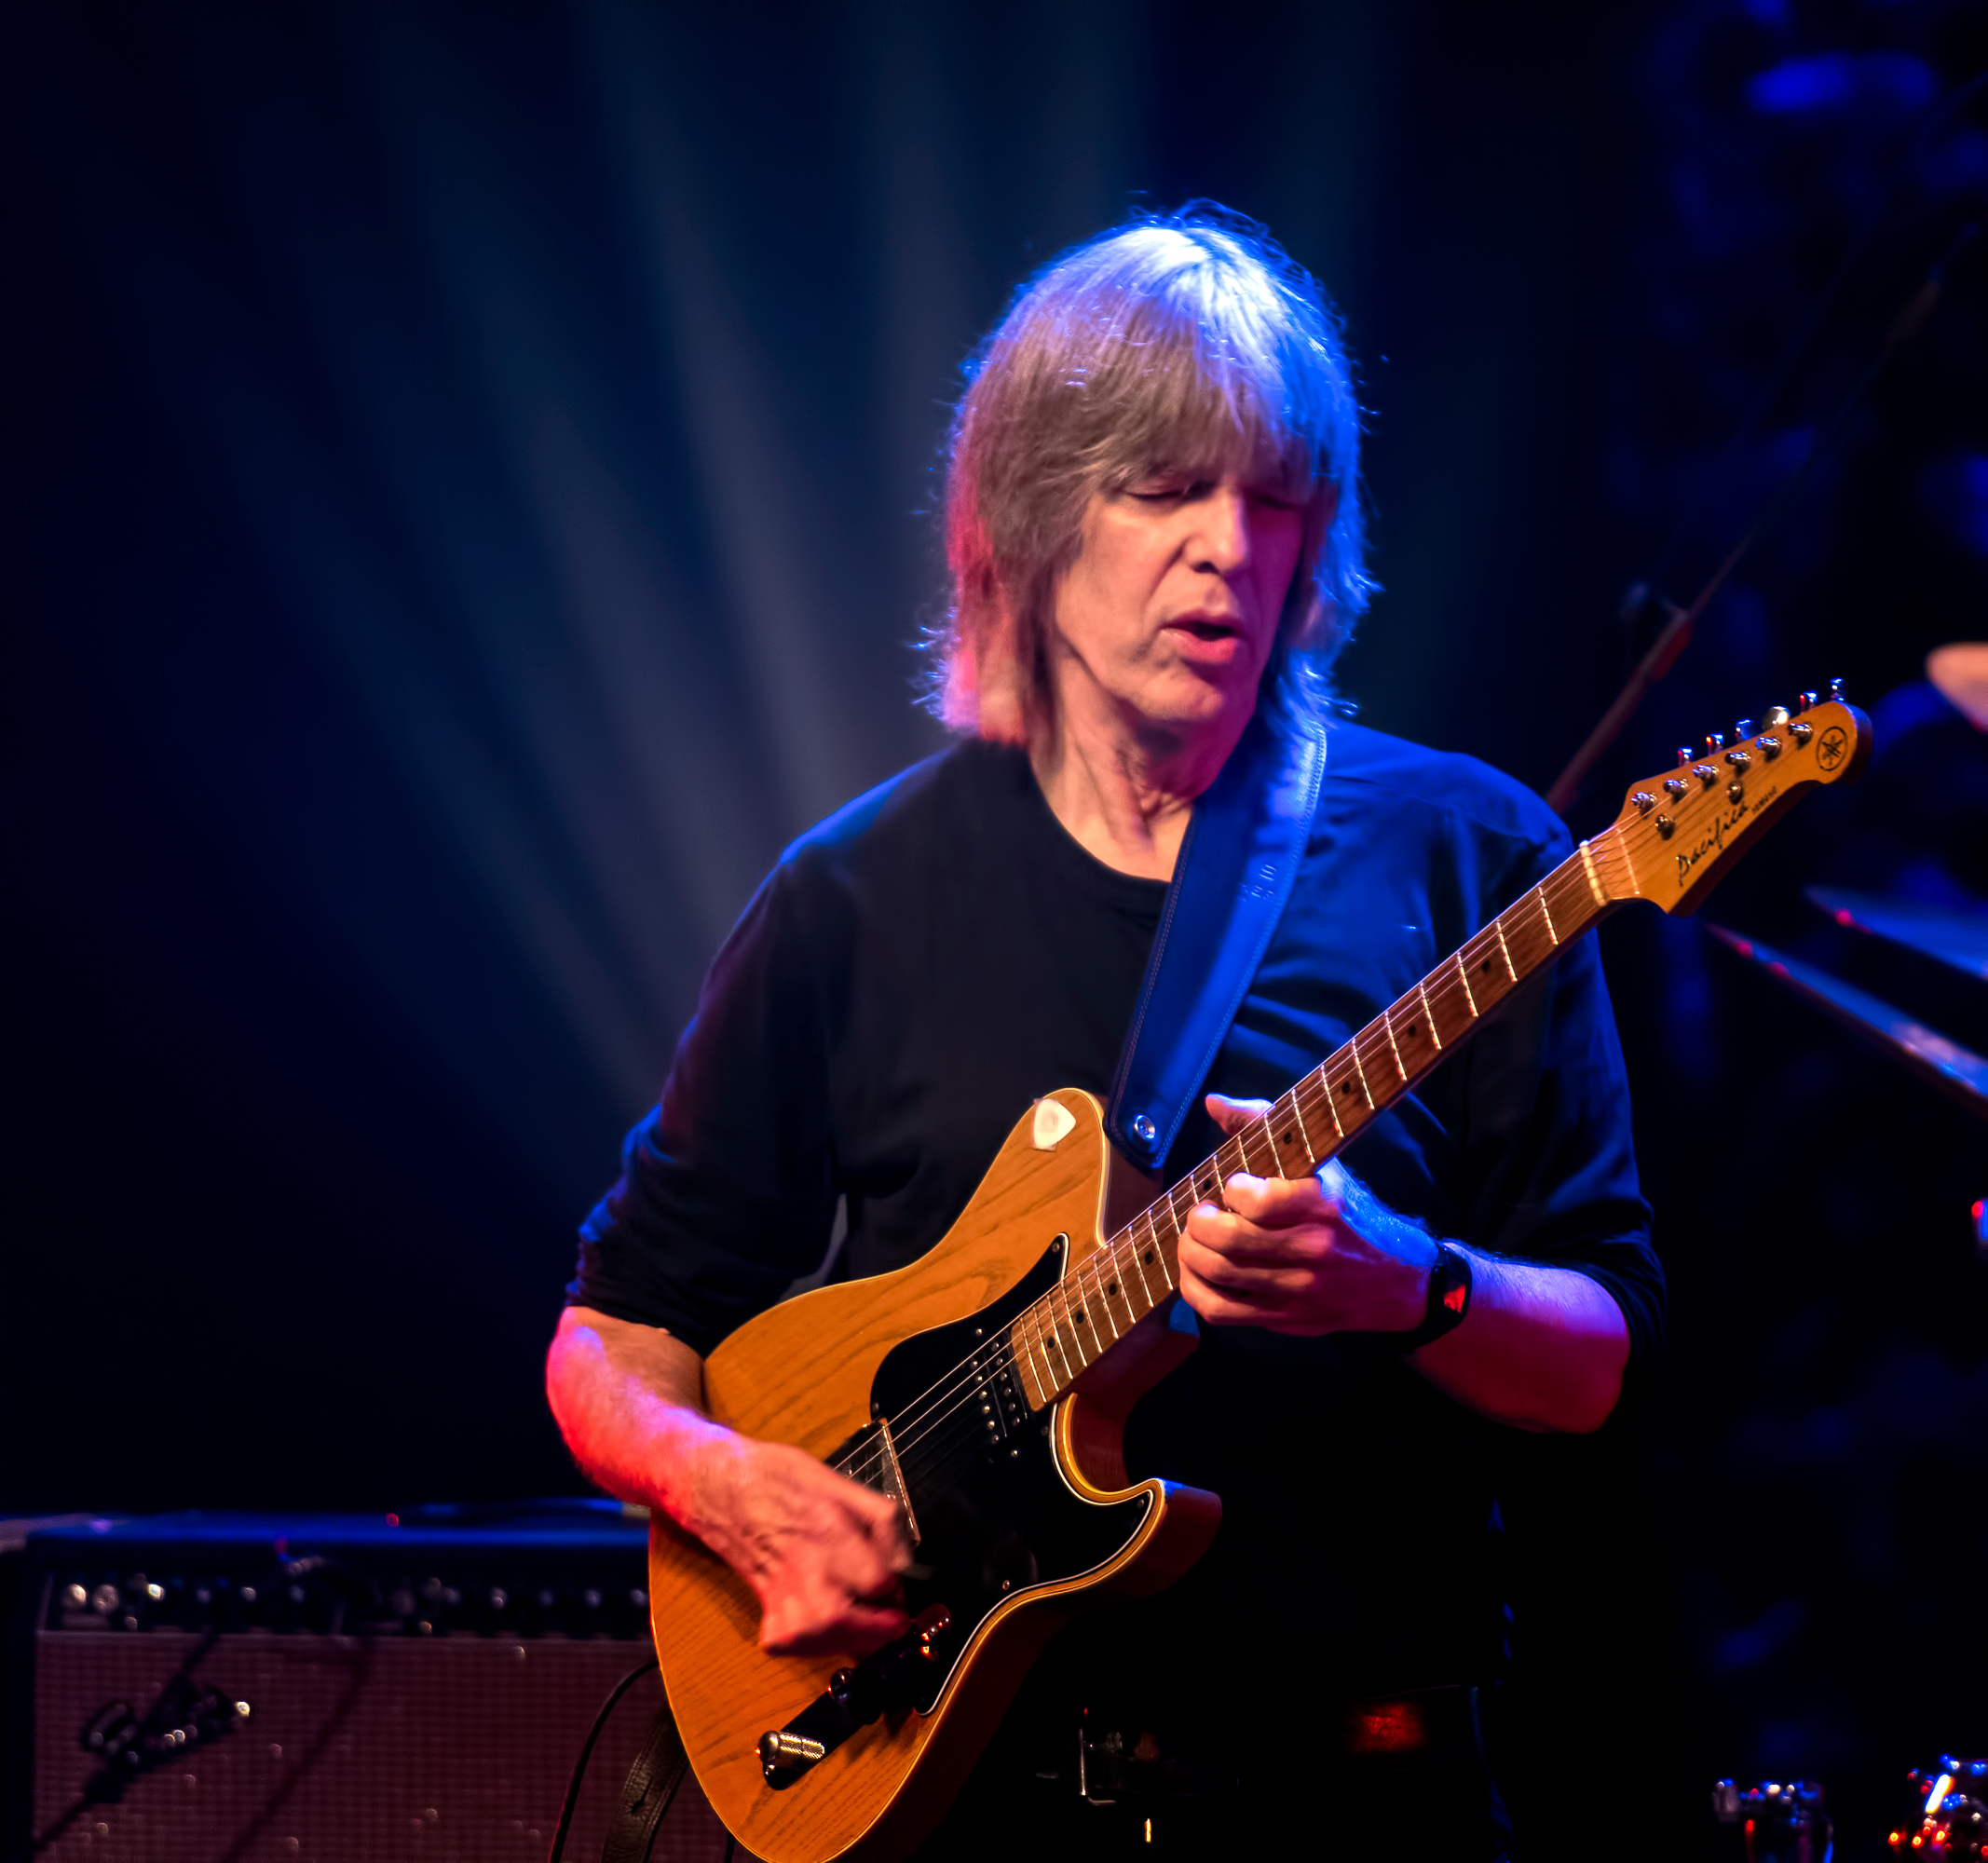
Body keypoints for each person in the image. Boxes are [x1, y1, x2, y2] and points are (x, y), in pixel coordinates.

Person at [546, 208, 1663, 1859]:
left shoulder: (1473, 859)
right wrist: (730, 1487)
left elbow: (1595, 1364)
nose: (1230, 544)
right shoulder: (855, 897)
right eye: (1164, 489)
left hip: (1358, 1803)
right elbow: (612, 1335)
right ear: (1029, 519)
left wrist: (1409, 1284)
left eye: (1273, 497)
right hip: (964, 1800)